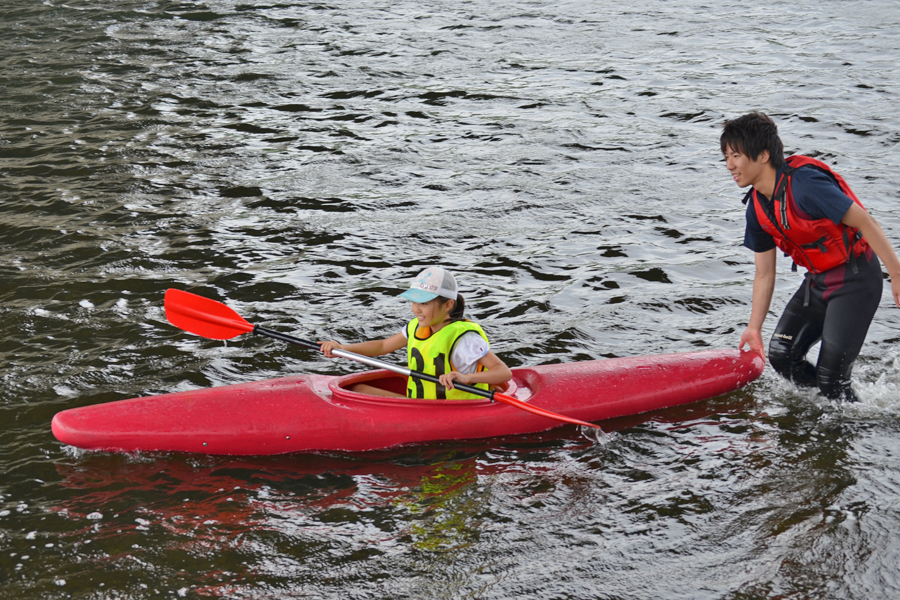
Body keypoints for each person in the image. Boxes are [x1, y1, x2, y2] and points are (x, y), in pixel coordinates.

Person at [721, 111, 900, 402]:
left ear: (763, 155)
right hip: (817, 283)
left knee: (832, 378)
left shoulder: (806, 186)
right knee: (782, 356)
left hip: (856, 281)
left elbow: (866, 222)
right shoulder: (756, 207)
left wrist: (896, 275)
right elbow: (765, 273)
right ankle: (828, 405)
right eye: (726, 157)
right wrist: (754, 328)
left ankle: (847, 414)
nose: (729, 165)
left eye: (736, 156)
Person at [319, 266, 512, 399]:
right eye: (414, 302)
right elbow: (383, 346)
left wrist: (466, 378)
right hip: (421, 403)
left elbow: (503, 372)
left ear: (448, 305)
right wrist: (342, 348)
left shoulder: (464, 338)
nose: (416, 309)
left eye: (424, 303)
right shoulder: (416, 327)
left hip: (452, 409)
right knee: (357, 389)